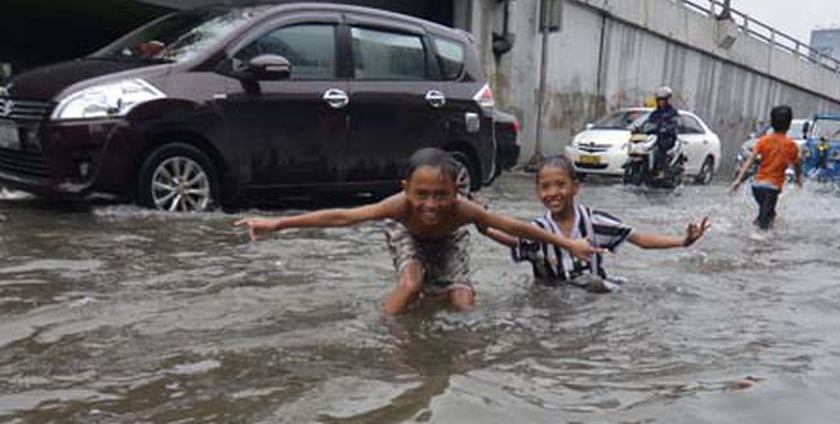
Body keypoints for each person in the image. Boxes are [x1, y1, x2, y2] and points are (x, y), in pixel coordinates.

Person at [234, 148, 601, 313]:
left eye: (441, 195)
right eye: (421, 194)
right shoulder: (397, 207)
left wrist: (568, 244)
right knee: (411, 285)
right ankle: (385, 333)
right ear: (406, 189)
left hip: (450, 239)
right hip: (405, 233)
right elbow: (342, 217)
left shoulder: (462, 210)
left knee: (463, 301)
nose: (431, 205)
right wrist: (276, 223)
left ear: (456, 193)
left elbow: (514, 226)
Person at [482, 156, 709, 289]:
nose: (553, 193)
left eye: (560, 184)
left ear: (576, 186)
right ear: (538, 192)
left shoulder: (595, 223)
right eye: (545, 187)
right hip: (551, 301)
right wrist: (482, 226)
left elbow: (639, 239)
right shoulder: (539, 230)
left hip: (591, 294)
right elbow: (513, 239)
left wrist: (683, 241)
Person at [729, 105, 802, 230]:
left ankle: (757, 232)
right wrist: (798, 180)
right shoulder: (791, 145)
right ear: (789, 124)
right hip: (772, 189)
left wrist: (738, 180)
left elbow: (750, 161)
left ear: (771, 123)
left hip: (757, 186)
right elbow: (797, 165)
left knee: (769, 214)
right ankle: (758, 241)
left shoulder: (764, 140)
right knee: (765, 221)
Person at [641, 86, 680, 178]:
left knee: (660, 148)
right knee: (644, 147)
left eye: (663, 100)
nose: (661, 102)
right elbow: (648, 122)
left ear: (667, 101)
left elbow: (675, 123)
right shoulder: (655, 113)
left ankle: (664, 170)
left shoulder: (672, 112)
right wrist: (641, 128)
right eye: (659, 100)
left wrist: (667, 128)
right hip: (655, 137)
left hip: (668, 138)